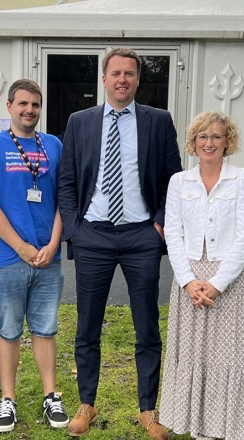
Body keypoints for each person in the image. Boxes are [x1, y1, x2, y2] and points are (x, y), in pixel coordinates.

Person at [58, 47, 183, 440]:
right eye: (115, 73)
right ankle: (87, 404)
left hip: (141, 236)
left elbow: (172, 180)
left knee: (147, 326)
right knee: (87, 326)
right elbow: (67, 179)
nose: (122, 80)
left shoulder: (158, 121)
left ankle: (148, 409)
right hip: (92, 234)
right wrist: (75, 230)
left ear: (137, 80)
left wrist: (160, 226)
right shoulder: (80, 121)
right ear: (104, 78)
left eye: (129, 74)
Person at [0, 79, 69, 433]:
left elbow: (64, 198)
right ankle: (8, 400)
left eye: (36, 105)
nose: (30, 110)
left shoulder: (55, 145)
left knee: (45, 327)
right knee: (10, 328)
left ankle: (50, 396)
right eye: (23, 104)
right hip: (8, 257)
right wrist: (21, 247)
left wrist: (54, 243)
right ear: (10, 106)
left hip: (47, 256)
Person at [158, 112, 244, 440]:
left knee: (229, 356)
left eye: (216, 136)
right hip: (189, 280)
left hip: (229, 280)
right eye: (203, 137)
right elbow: (172, 233)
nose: (209, 143)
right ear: (193, 142)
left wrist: (216, 284)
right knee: (193, 355)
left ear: (227, 141)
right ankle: (199, 429)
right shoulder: (179, 182)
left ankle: (228, 428)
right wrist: (188, 281)